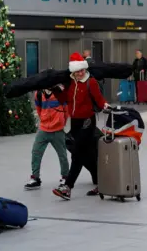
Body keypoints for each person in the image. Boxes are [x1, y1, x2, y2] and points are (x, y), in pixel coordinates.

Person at [51, 52, 108, 200]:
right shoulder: (70, 83)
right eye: (77, 71)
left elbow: (99, 99)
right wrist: (56, 90)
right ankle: (102, 182)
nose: (80, 73)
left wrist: (105, 105)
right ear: (73, 71)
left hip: (87, 122)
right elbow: (64, 99)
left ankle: (67, 187)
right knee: (88, 155)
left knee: (77, 154)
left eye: (82, 70)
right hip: (75, 122)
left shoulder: (91, 82)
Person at [24, 87, 69, 190]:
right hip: (43, 129)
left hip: (57, 129)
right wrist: (44, 121)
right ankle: (35, 178)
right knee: (36, 152)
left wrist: (61, 122)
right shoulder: (38, 94)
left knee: (62, 155)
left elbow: (66, 110)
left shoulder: (60, 92)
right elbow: (39, 109)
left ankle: (65, 177)